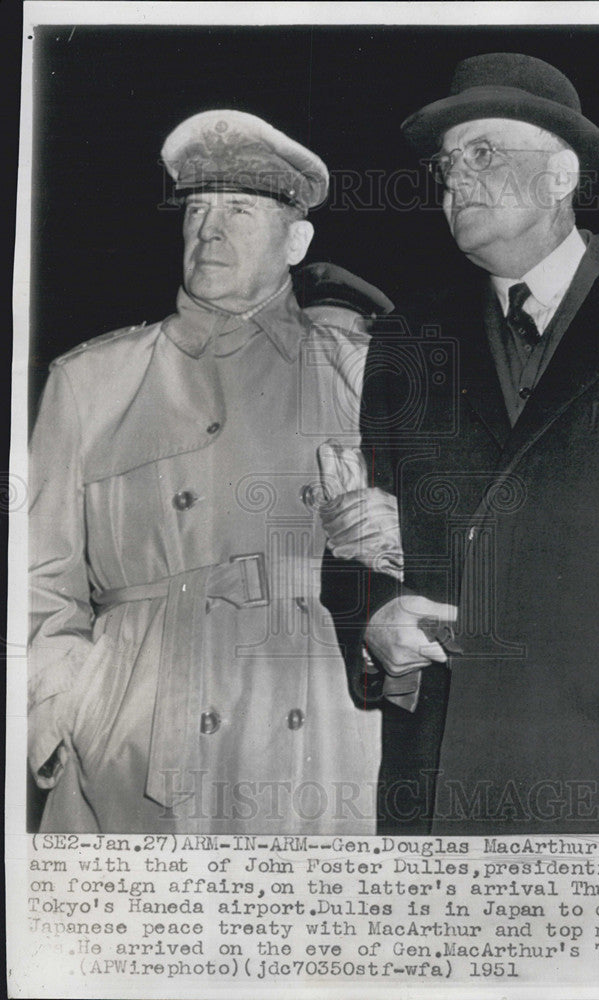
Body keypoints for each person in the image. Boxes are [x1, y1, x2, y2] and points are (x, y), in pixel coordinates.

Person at [324, 53, 599, 834]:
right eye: (445, 166)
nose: (454, 180)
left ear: (560, 175)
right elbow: (357, 522)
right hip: (439, 770)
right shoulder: (408, 338)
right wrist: (373, 623)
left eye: (482, 153)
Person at [27, 110, 386, 834]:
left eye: (239, 211)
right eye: (197, 209)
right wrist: (66, 712)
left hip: (315, 717)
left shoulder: (362, 372)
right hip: (137, 733)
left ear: (297, 240)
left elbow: (430, 546)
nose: (209, 230)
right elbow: (38, 580)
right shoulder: (93, 379)